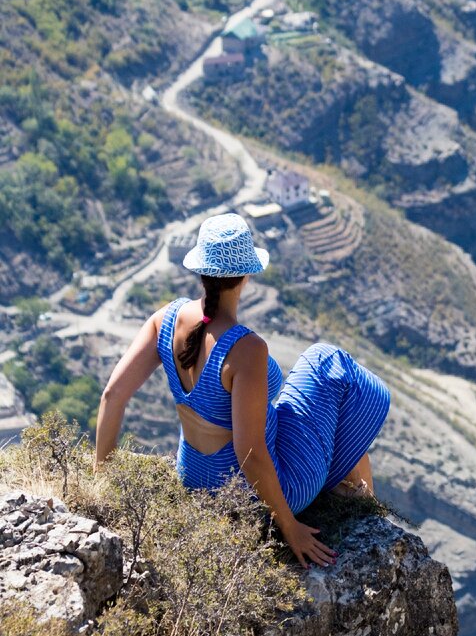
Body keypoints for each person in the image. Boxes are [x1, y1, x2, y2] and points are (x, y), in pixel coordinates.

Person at [94, 213, 391, 568]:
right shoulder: (246, 349)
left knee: (312, 395)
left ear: (201, 270)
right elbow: (249, 450)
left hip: (194, 479)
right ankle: (366, 510)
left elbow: (112, 395)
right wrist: (289, 526)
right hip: (258, 494)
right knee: (328, 361)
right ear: (246, 275)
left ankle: (354, 494)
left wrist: (102, 479)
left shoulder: (165, 320)